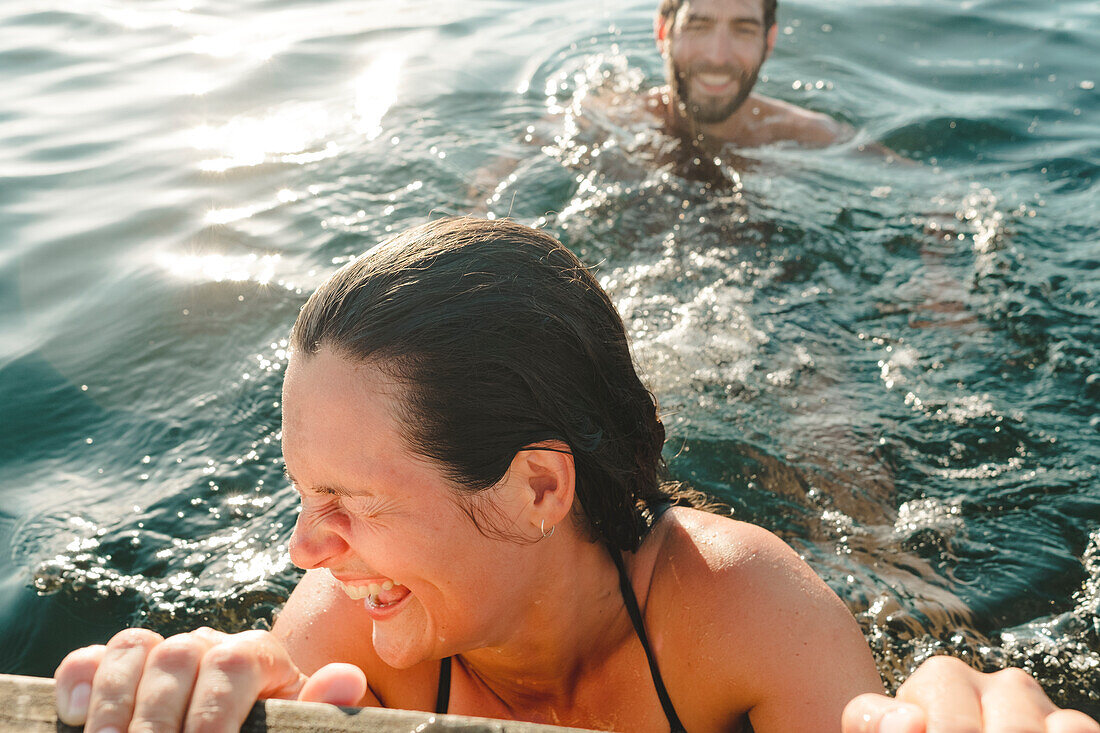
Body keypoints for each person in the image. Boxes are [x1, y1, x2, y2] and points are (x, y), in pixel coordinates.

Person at [53, 218, 1097, 733]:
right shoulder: (341, 635)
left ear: (538, 489)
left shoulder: (748, 611)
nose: (303, 549)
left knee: (898, 564)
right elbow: (261, 672)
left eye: (348, 503)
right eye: (300, 493)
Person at [649, 0, 851, 149]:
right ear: (662, 33)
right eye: (699, 27)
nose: (718, 57)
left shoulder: (819, 140)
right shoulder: (622, 126)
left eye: (744, 30)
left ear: (769, 41)